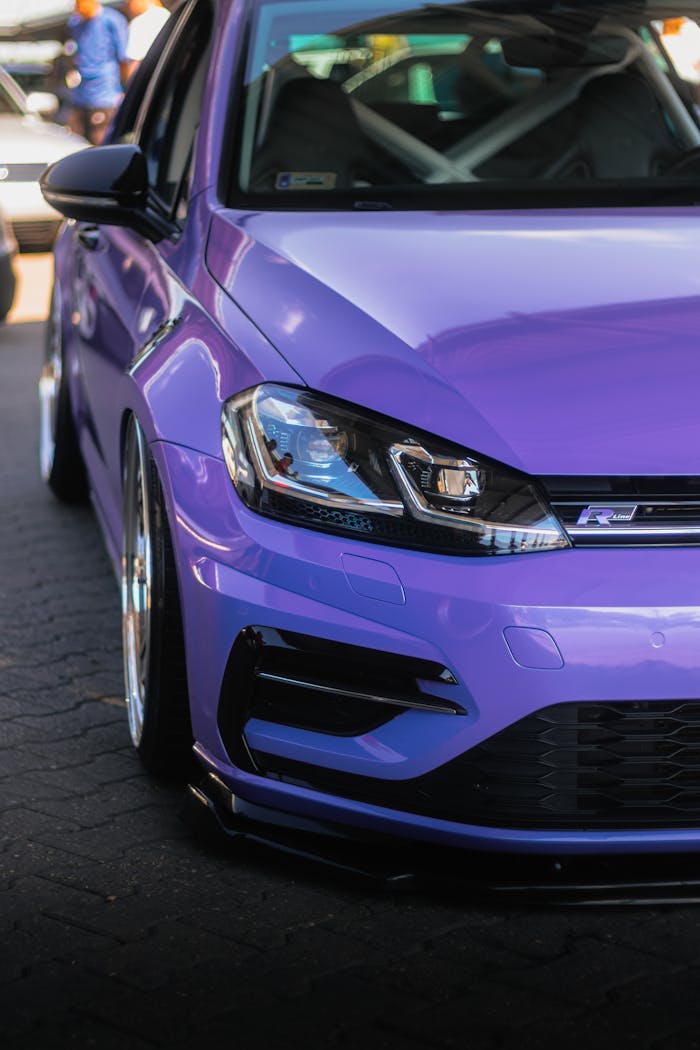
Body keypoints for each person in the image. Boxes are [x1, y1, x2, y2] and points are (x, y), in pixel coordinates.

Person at [66, 0, 129, 144]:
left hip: (106, 94)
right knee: (77, 140)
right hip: (81, 95)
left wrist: (126, 88)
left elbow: (123, 59)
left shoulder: (112, 20)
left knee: (102, 140)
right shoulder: (75, 23)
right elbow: (72, 52)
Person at [125, 0, 171, 77]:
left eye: (129, 2)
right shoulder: (170, 16)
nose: (129, 8)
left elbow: (134, 65)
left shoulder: (140, 22)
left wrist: (132, 87)